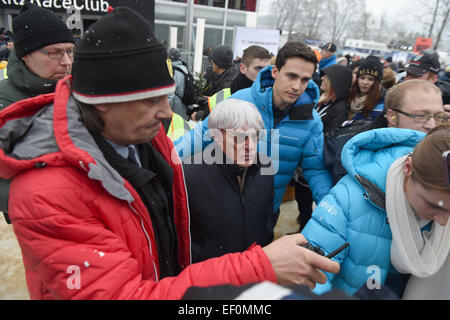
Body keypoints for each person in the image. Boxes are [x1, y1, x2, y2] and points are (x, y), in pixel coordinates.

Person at [0, 7, 339, 300]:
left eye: (167, 96)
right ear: (102, 104)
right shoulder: (47, 194)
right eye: (151, 100)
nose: (167, 113)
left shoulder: (144, 137)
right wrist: (258, 266)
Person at [176, 41, 333, 216]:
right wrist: (165, 160)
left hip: (267, 213)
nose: (297, 86)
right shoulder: (240, 100)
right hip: (225, 208)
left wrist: (331, 211)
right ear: (275, 72)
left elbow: (315, 169)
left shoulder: (311, 121)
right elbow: (199, 137)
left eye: (304, 79)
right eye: (291, 76)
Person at [302, 125, 450, 299]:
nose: (443, 222)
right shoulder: (348, 200)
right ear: (408, 169)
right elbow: (310, 278)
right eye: (433, 205)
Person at [0, 3, 75, 223]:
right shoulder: (4, 101)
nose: (67, 61)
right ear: (24, 54)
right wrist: (46, 202)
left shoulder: (77, 88)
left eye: (70, 51)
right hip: (35, 222)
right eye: (54, 53)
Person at [184, 99, 275, 262]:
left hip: (257, 273)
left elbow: (267, 220)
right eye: (241, 138)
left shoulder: (265, 169)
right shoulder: (189, 176)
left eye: (255, 136)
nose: (251, 146)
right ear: (216, 136)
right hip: (211, 279)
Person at [194, 45, 271, 120]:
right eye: (258, 68)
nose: (264, 73)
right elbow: (206, 130)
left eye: (268, 69)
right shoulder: (221, 97)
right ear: (243, 68)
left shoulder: (273, 99)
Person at [317, 64, 353, 133]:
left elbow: (330, 137)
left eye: (327, 76)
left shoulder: (340, 110)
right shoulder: (321, 99)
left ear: (336, 83)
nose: (322, 78)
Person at [347, 56, 385, 121]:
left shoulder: (381, 105)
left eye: (370, 79)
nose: (365, 82)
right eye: (362, 78)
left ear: (377, 83)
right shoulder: (349, 96)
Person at [167, 47, 190, 120]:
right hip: (184, 106)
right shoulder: (184, 68)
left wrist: (166, 111)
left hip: (176, 109)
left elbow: (170, 95)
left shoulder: (173, 71)